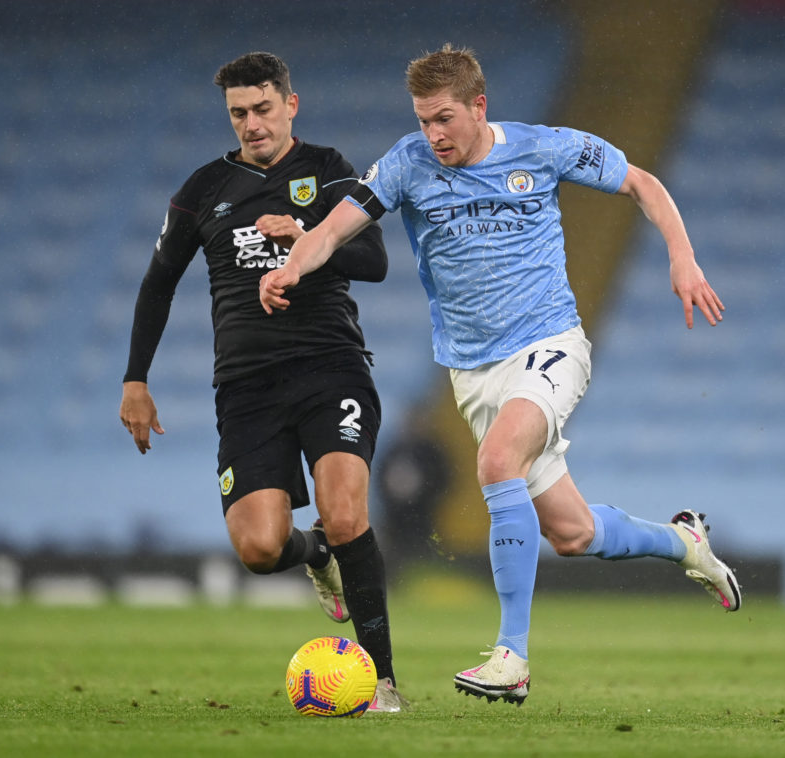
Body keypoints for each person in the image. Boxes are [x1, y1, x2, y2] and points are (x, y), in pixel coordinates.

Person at [259, 44, 741, 706]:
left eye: (445, 119)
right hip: (473, 373)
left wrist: (682, 259)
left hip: (549, 345)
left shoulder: (543, 149)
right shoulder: (408, 162)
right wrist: (292, 267)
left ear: (479, 106)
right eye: (424, 120)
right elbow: (332, 230)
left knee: (496, 461)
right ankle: (685, 543)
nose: (434, 134)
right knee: (571, 534)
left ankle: (511, 656)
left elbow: (642, 184)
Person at [119, 52, 406, 712]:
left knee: (345, 510)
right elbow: (157, 283)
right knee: (258, 547)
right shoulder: (202, 190)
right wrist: (136, 378)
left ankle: (383, 680)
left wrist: (308, 233)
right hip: (246, 386)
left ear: (291, 104)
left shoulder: (328, 169)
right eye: (238, 114)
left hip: (330, 366)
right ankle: (314, 555)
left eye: (262, 109)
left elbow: (375, 260)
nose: (252, 124)